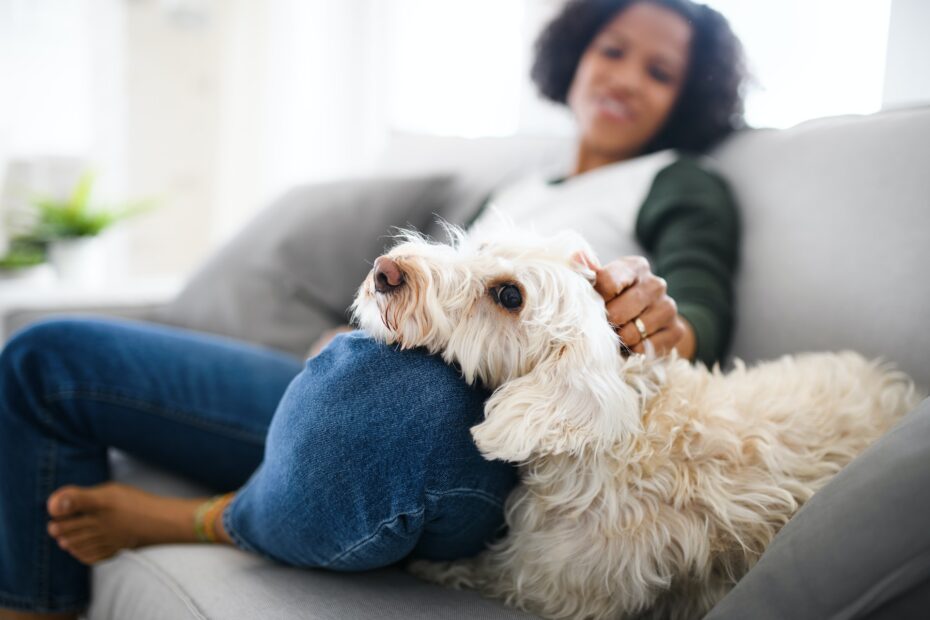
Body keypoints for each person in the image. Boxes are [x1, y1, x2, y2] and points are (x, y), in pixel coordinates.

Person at [0, 1, 747, 618]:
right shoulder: (527, 186)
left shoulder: (677, 181)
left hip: (471, 430)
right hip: (362, 376)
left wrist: (658, 318)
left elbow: (695, 308)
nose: (625, 78)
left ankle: (210, 518)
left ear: (688, 97)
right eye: (612, 50)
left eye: (660, 72)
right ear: (577, 53)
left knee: (384, 391)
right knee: (45, 357)